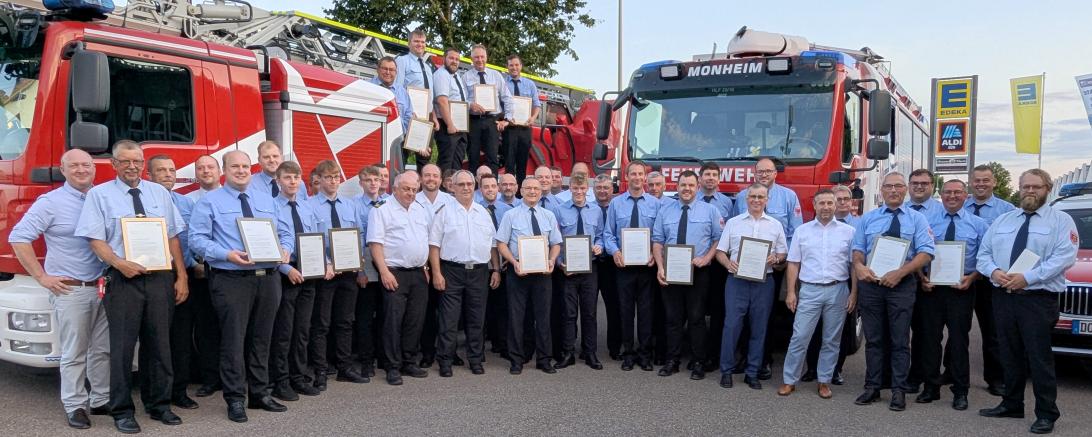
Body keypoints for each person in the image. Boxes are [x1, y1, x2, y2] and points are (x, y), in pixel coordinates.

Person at [76, 140, 188, 433]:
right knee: (122, 349)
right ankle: (122, 410)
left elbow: (173, 236)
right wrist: (118, 262)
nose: (132, 166)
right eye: (125, 161)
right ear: (114, 164)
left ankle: (159, 404)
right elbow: (94, 239)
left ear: (143, 162)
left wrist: (182, 276)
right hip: (123, 279)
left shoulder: (159, 193)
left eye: (137, 161)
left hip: (160, 277)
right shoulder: (99, 196)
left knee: (160, 344)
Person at [190, 150, 294, 423]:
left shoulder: (267, 200)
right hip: (231, 279)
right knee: (234, 341)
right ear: (225, 169)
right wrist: (226, 254)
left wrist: (286, 248)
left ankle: (260, 393)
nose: (241, 170)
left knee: (263, 338)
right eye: (235, 166)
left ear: (252, 168)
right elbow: (196, 240)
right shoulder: (210, 202)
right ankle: (235, 398)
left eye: (246, 166)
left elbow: (284, 231)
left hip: (269, 278)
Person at [10, 149, 109, 429]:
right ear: (63, 170)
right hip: (72, 290)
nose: (81, 170)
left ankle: (101, 399)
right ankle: (75, 404)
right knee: (74, 352)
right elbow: (19, 237)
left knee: (102, 349)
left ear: (94, 168)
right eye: (74, 165)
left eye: (86, 165)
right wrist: (42, 277)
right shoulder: (51, 203)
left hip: (105, 285)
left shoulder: (102, 197)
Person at [977, 169, 1077, 435]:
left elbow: (1063, 258)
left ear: (1048, 187)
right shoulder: (1004, 220)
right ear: (1018, 189)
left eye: (1036, 187)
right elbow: (983, 254)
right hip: (1003, 296)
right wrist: (994, 272)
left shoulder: (1061, 221)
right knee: (1008, 354)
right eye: (1025, 187)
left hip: (1037, 299)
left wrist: (1028, 277)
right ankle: (1011, 403)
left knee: (1038, 358)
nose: (1029, 191)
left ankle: (1046, 413)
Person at [852, 172, 935, 412]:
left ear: (906, 189)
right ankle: (873, 386)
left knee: (900, 340)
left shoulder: (917, 220)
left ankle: (898, 390)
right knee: (874, 339)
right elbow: (858, 249)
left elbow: (926, 252)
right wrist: (859, 266)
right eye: (889, 186)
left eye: (899, 186)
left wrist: (900, 273)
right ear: (882, 189)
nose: (894, 191)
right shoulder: (868, 219)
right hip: (871, 285)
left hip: (902, 285)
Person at [915, 179, 988, 410]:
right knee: (930, 340)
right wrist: (921, 277)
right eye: (947, 192)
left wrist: (972, 277)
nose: (952, 196)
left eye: (957, 192)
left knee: (959, 341)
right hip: (931, 288)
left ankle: (960, 391)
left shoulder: (979, 225)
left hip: (962, 288)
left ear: (966, 195)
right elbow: (917, 251)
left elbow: (986, 257)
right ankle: (931, 387)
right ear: (941, 195)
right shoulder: (927, 222)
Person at [779, 189, 856, 399]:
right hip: (810, 290)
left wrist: (853, 294)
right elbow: (793, 263)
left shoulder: (848, 232)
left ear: (835, 205)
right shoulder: (802, 231)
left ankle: (824, 381)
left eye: (830, 203)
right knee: (800, 337)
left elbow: (853, 266)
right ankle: (789, 380)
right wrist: (791, 292)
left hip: (838, 289)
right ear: (814, 205)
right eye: (822, 203)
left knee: (831, 339)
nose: (826, 207)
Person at [732, 157, 801, 379]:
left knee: (767, 316)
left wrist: (782, 259)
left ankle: (765, 360)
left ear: (775, 173)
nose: (764, 174)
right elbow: (735, 228)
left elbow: (795, 233)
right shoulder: (743, 196)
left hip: (775, 267)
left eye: (768, 171)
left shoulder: (789, 197)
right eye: (760, 171)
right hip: (745, 267)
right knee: (743, 315)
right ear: (754, 173)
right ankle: (744, 357)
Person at [270, 161, 333, 401]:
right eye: (287, 177)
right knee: (284, 331)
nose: (292, 182)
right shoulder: (271, 208)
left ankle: (299, 376)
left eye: (296, 177)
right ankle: (281, 381)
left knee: (303, 329)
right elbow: (269, 244)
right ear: (278, 181)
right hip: (286, 274)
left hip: (310, 272)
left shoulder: (308, 208)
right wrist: (286, 269)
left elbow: (318, 239)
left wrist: (326, 262)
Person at [715, 183, 788, 390]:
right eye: (752, 196)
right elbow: (721, 251)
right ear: (746, 199)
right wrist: (728, 263)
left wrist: (776, 257)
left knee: (759, 327)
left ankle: (752, 372)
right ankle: (726, 371)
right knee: (732, 326)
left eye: (760, 197)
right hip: (736, 281)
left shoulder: (775, 225)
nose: (756, 200)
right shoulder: (733, 223)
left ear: (767, 200)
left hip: (764, 282)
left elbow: (783, 253)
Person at [428, 170, 501, 377]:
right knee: (449, 320)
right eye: (461, 184)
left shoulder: (482, 213)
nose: (466, 188)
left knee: (476, 319)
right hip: (452, 271)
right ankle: (445, 360)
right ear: (453, 187)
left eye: (470, 184)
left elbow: (493, 245)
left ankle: (475, 359)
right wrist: (436, 273)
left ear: (474, 186)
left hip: (479, 272)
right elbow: (434, 246)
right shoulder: (444, 212)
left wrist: (495, 269)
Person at [651, 170, 721, 380]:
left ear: (697, 186)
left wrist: (707, 258)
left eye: (691, 185)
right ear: (677, 186)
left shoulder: (710, 211)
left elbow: (719, 240)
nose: (687, 189)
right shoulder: (665, 210)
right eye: (683, 185)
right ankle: (672, 360)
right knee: (673, 319)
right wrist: (660, 268)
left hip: (698, 271)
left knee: (697, 318)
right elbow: (657, 241)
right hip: (671, 272)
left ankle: (698, 361)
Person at [367, 172, 432, 385]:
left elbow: (426, 240)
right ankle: (392, 366)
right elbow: (375, 243)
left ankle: (408, 360)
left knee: (415, 319)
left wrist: (426, 266)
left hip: (418, 272)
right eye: (406, 189)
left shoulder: (421, 210)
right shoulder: (382, 210)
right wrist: (384, 272)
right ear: (395, 188)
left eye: (414, 189)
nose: (411, 193)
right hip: (394, 272)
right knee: (393, 321)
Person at [307, 160, 368, 388]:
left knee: (345, 321)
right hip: (325, 274)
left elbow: (358, 236)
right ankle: (321, 371)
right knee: (321, 324)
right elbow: (311, 240)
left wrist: (359, 266)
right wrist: (326, 263)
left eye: (336, 177)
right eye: (328, 177)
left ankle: (344, 367)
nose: (333, 181)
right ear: (319, 180)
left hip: (348, 272)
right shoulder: (309, 205)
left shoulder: (350, 205)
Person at [147, 155, 200, 411]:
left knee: (181, 337)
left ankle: (180, 390)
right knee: (157, 338)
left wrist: (189, 270)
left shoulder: (187, 203)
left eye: (171, 170)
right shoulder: (146, 201)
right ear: (150, 176)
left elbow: (192, 238)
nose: (168, 174)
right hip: (154, 276)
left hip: (183, 274)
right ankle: (159, 393)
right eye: (161, 171)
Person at [495, 177, 563, 374]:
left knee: (543, 317)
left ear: (541, 191)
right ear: (521, 191)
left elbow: (556, 243)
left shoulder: (548, 215)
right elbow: (501, 243)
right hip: (519, 272)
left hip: (543, 273)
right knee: (516, 317)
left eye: (536, 188)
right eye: (528, 188)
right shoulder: (511, 215)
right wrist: (514, 262)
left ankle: (544, 359)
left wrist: (551, 260)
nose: (532, 191)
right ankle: (516, 359)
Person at [964, 164, 1017, 397]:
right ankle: (950, 371)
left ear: (994, 182)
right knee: (956, 327)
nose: (981, 184)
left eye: (986, 180)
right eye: (977, 180)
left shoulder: (1008, 210)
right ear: (971, 182)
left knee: (992, 330)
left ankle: (995, 378)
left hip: (991, 277)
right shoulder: (959, 205)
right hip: (961, 274)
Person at [602, 160, 661, 371]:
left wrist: (656, 254)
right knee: (626, 312)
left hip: (647, 267)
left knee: (646, 312)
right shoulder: (616, 204)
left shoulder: (656, 204)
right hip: (624, 267)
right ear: (627, 177)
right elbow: (608, 234)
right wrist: (615, 251)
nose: (637, 177)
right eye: (632, 174)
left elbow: (659, 235)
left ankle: (644, 354)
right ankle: (628, 353)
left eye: (640, 174)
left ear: (645, 177)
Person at [801, 184, 859, 385]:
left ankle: (835, 370)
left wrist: (854, 292)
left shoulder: (857, 227)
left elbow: (857, 262)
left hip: (844, 282)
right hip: (816, 283)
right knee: (814, 330)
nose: (841, 202)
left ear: (850, 203)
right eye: (838, 198)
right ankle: (811, 368)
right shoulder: (809, 228)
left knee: (840, 332)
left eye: (845, 199)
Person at [550, 173, 604, 369]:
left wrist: (599, 246)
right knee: (569, 314)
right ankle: (568, 353)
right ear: (570, 188)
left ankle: (590, 353)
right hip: (567, 269)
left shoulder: (596, 211)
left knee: (589, 313)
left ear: (587, 190)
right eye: (575, 188)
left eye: (583, 189)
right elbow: (555, 239)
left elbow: (601, 236)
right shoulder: (559, 210)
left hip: (590, 268)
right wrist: (559, 264)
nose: (579, 192)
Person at [186, 154, 223, 397]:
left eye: (210, 167)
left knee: (233, 326)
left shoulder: (232, 198)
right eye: (201, 168)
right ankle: (211, 378)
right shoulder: (188, 201)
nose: (206, 171)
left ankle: (236, 375)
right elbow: (185, 238)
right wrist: (194, 265)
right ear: (196, 173)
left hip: (230, 272)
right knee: (206, 327)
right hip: (200, 272)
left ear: (220, 171)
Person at [353, 165, 390, 378]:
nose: (373, 183)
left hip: (388, 264)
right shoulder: (354, 206)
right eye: (368, 180)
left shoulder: (389, 204)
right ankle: (366, 361)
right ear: (361, 183)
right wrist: (360, 271)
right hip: (366, 264)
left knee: (386, 315)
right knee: (366, 316)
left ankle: (384, 356)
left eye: (376, 179)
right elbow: (357, 240)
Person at [415, 164, 453, 368]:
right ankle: (428, 352)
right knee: (426, 311)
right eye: (427, 175)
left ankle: (449, 351)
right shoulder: (413, 201)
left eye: (435, 175)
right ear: (421, 179)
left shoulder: (450, 201)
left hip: (444, 262)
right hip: (421, 263)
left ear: (441, 180)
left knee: (448, 310)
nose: (431, 178)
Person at [906, 168, 941, 393]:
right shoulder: (898, 209)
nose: (919, 187)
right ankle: (899, 374)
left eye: (924, 183)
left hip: (934, 281)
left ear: (932, 186)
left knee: (927, 333)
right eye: (915, 183)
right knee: (900, 331)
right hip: (904, 278)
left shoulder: (942, 210)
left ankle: (925, 377)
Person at [698, 162, 732, 372]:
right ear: (700, 178)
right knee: (697, 310)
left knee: (719, 310)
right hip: (697, 263)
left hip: (719, 263)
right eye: (706, 174)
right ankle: (698, 352)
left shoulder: (729, 203)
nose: (710, 178)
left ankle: (715, 353)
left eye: (714, 175)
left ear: (719, 179)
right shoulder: (692, 200)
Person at [463, 44, 513, 174]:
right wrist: (470, 105)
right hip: (473, 121)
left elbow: (507, 98)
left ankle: (492, 192)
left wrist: (507, 119)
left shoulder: (496, 75)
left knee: (492, 158)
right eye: (476, 57)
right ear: (471, 59)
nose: (479, 60)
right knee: (473, 157)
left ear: (486, 57)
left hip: (492, 121)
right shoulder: (465, 77)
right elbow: (460, 100)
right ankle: (473, 192)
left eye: (482, 56)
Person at [479, 174, 513, 357]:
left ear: (498, 188)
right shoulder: (475, 210)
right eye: (486, 186)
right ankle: (480, 347)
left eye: (493, 186)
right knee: (482, 306)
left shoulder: (507, 210)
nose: (490, 189)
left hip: (504, 264)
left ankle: (502, 344)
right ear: (481, 189)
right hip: (483, 266)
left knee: (503, 306)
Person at [394, 28, 438, 165]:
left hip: (425, 118)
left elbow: (430, 95)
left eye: (423, 42)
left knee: (425, 156)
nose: (420, 44)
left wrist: (433, 117)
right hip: (409, 117)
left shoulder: (427, 66)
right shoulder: (402, 61)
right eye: (416, 41)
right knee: (402, 156)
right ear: (409, 43)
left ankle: (422, 187)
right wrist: (403, 115)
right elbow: (397, 89)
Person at [593, 174, 623, 361]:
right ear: (594, 190)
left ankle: (615, 347)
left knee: (614, 307)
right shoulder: (587, 209)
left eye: (606, 187)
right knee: (588, 308)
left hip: (612, 263)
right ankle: (588, 347)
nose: (602, 191)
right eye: (599, 188)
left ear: (612, 189)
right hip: (592, 263)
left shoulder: (618, 207)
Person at [502, 54, 541, 184]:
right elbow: (498, 104)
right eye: (511, 65)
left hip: (525, 129)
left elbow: (537, 105)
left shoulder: (530, 84)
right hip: (509, 129)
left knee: (522, 163)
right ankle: (509, 192)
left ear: (521, 66)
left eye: (516, 65)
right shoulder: (502, 83)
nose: (514, 67)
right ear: (507, 67)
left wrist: (533, 117)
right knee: (509, 162)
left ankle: (520, 194)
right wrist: (506, 117)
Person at [433, 48, 470, 172]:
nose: (454, 61)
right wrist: (450, 125)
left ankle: (454, 190)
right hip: (447, 125)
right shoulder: (441, 75)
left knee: (457, 162)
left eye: (457, 59)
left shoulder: (456, 76)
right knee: (446, 163)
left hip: (460, 126)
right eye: (451, 58)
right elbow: (442, 101)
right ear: (444, 59)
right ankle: (443, 190)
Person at [371, 56, 413, 134]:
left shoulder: (402, 92)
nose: (388, 72)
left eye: (391, 70)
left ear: (396, 72)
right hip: (372, 135)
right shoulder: (367, 87)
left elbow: (409, 117)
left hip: (396, 138)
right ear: (378, 70)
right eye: (384, 68)